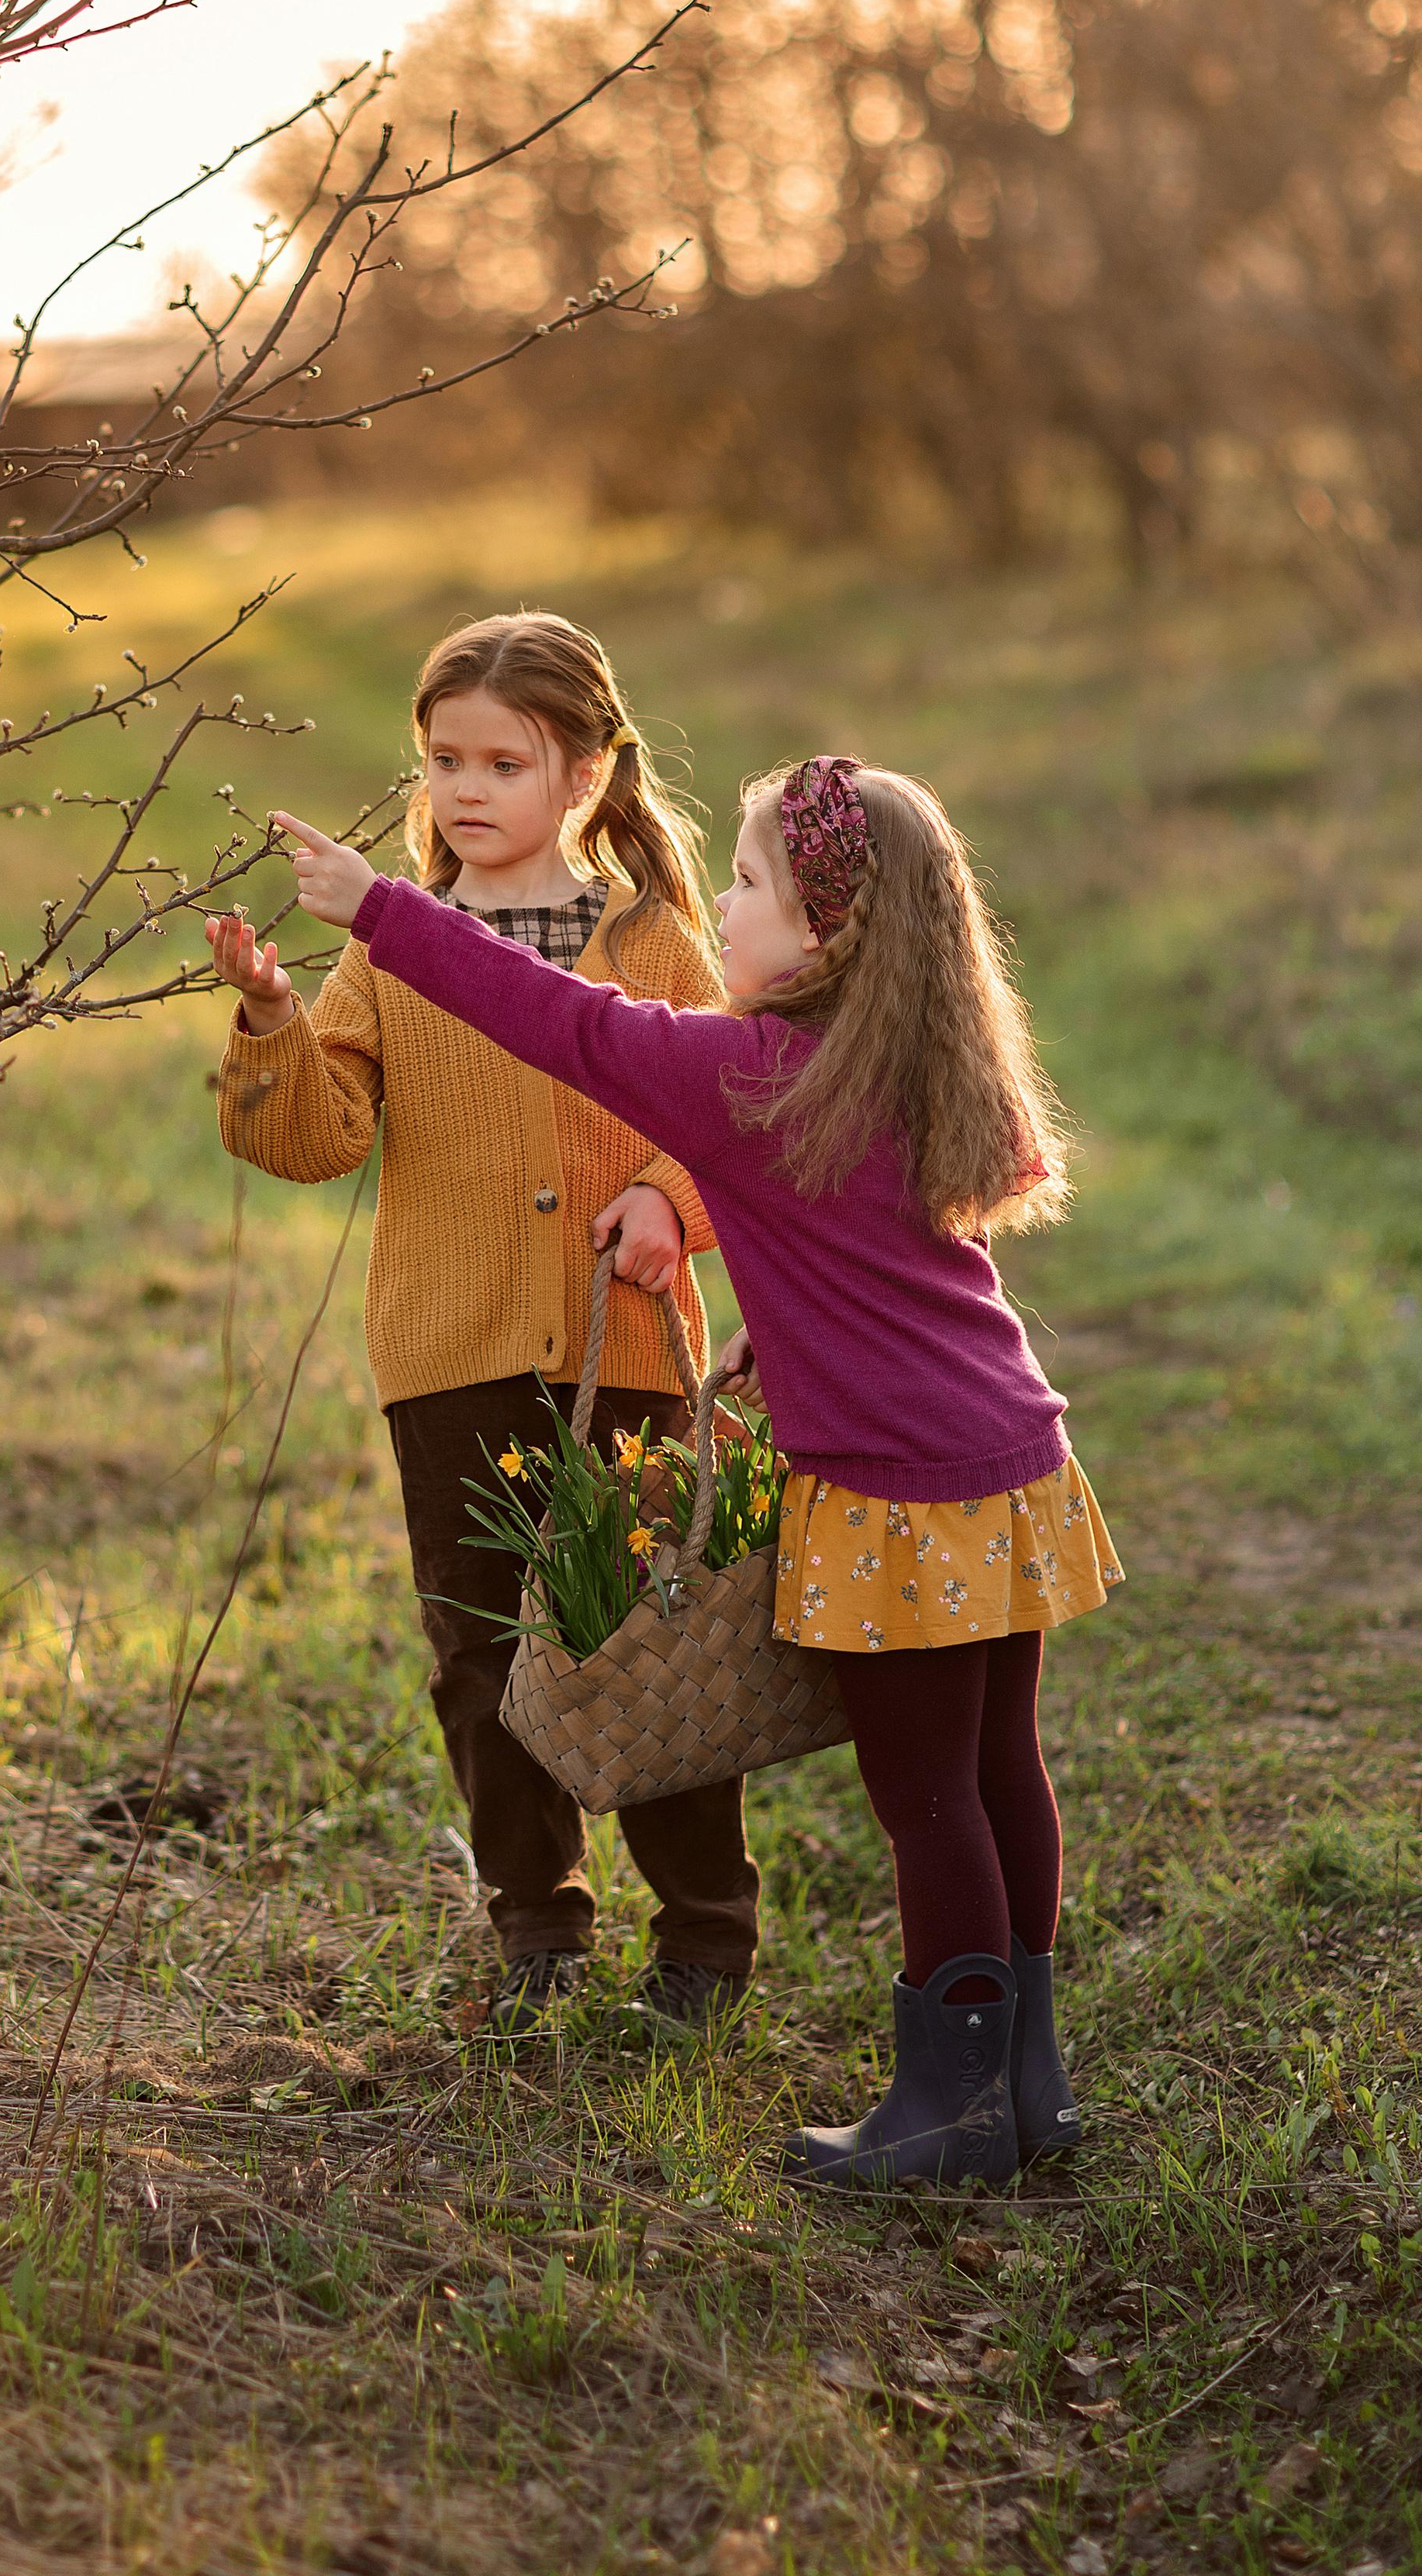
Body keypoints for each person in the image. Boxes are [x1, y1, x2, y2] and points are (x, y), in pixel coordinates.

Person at [265, 754, 1121, 2186]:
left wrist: (383, 912)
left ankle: (955, 2107)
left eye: (745, 884)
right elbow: (879, 1276)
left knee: (927, 1802)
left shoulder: (746, 1073)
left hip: (900, 1494)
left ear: (825, 934)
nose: (721, 906)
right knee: (996, 1771)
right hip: (1011, 1455)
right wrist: (780, 1353)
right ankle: (1029, 2078)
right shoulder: (919, 1061)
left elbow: (563, 1022)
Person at [205, 614, 761, 2040]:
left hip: (621, 1346)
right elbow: (316, 1140)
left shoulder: (653, 941)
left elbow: (732, 1114)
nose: (465, 788)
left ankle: (702, 1934)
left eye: (502, 761)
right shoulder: (396, 950)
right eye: (443, 758)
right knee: (482, 1648)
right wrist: (271, 1021)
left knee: (654, 1638)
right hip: (448, 1352)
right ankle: (538, 1924)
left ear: (583, 772)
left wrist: (661, 1199)